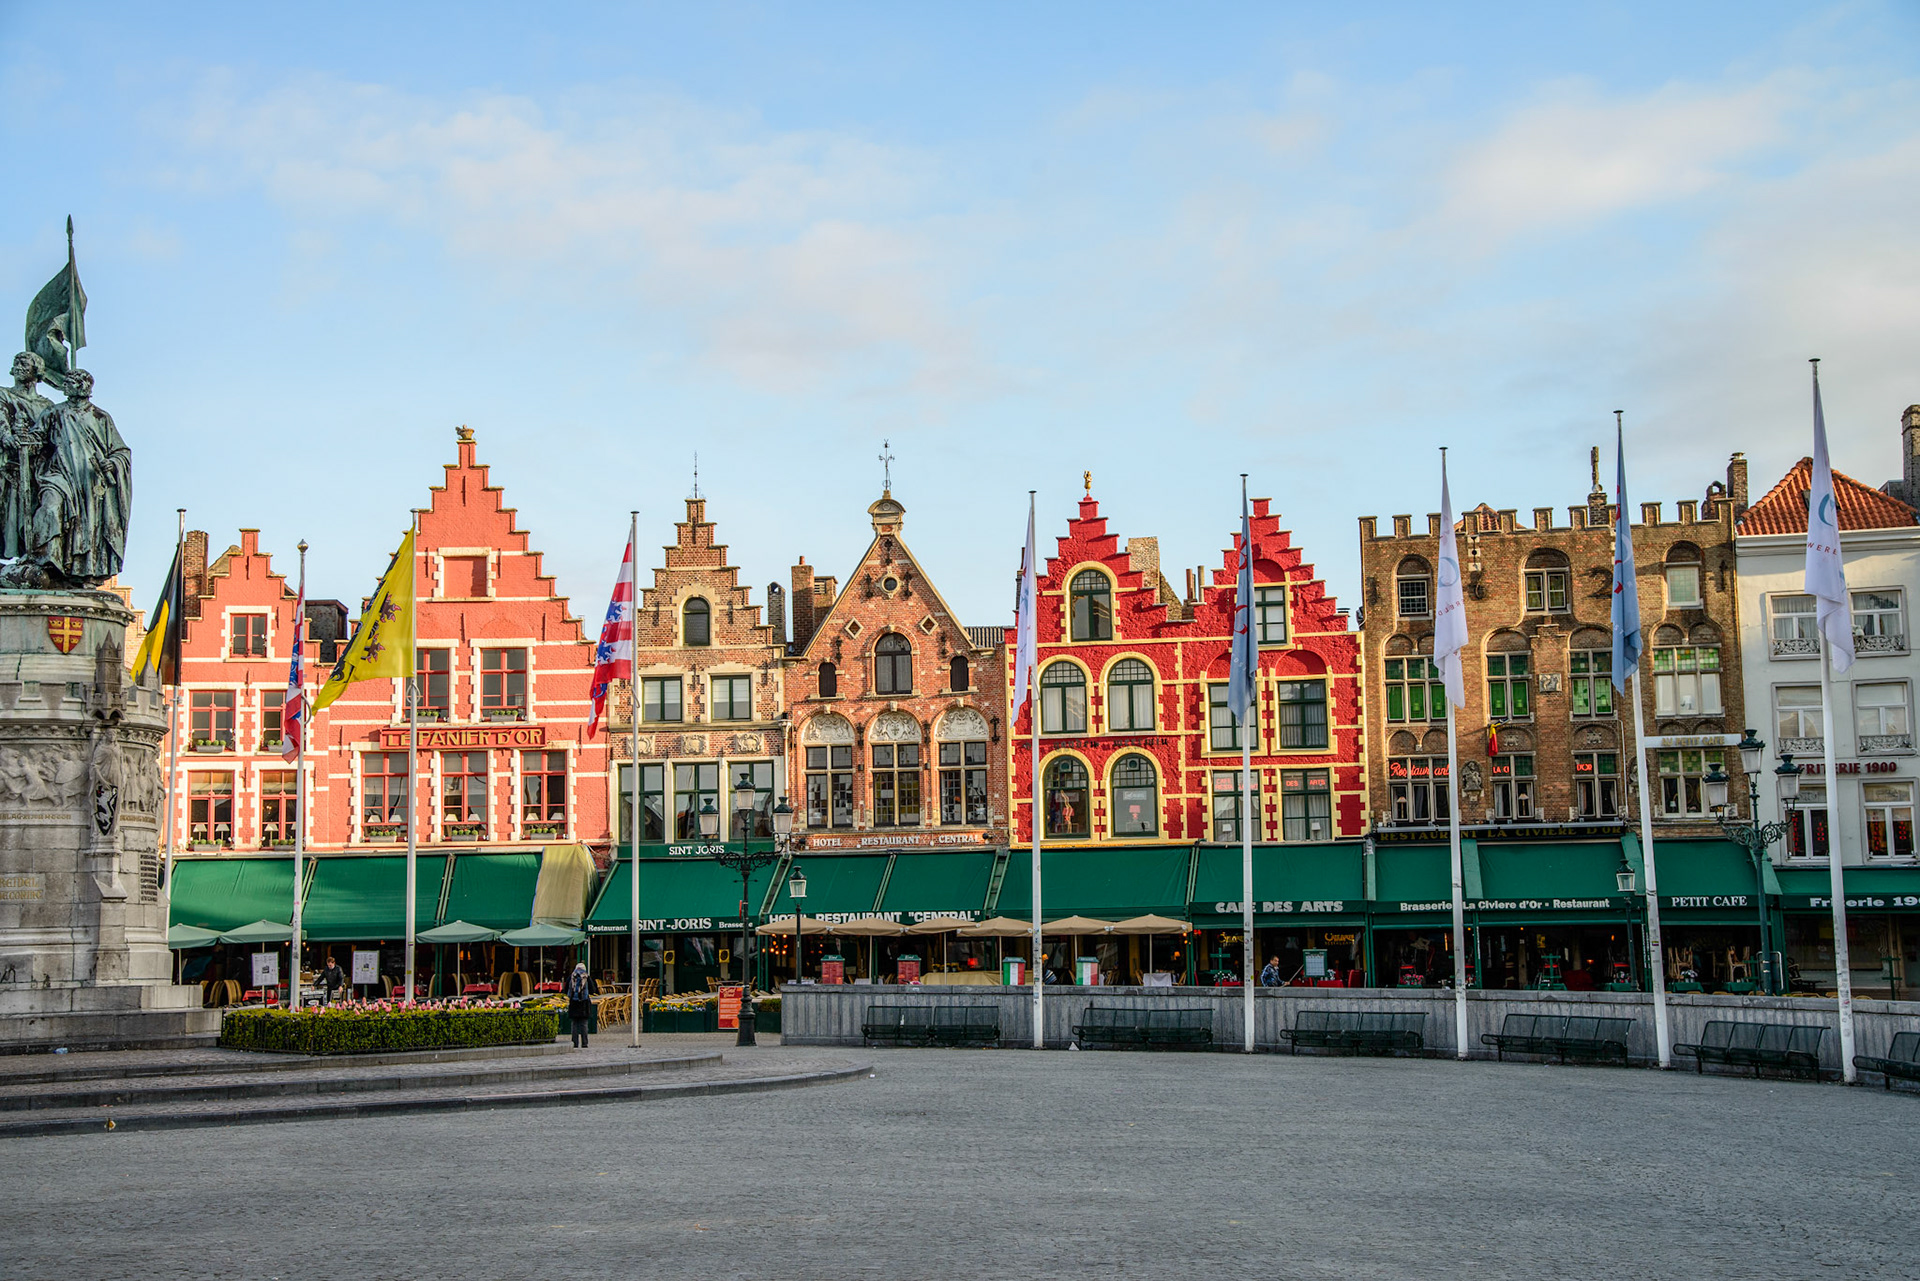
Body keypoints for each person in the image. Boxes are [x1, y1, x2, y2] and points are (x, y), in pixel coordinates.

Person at [566, 962, 593, 1049]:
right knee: (584, 1024)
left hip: (573, 1002)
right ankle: (584, 1043)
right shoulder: (587, 977)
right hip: (584, 1002)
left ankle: (575, 1043)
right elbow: (593, 989)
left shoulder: (571, 976)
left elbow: (565, 989)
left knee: (574, 1024)